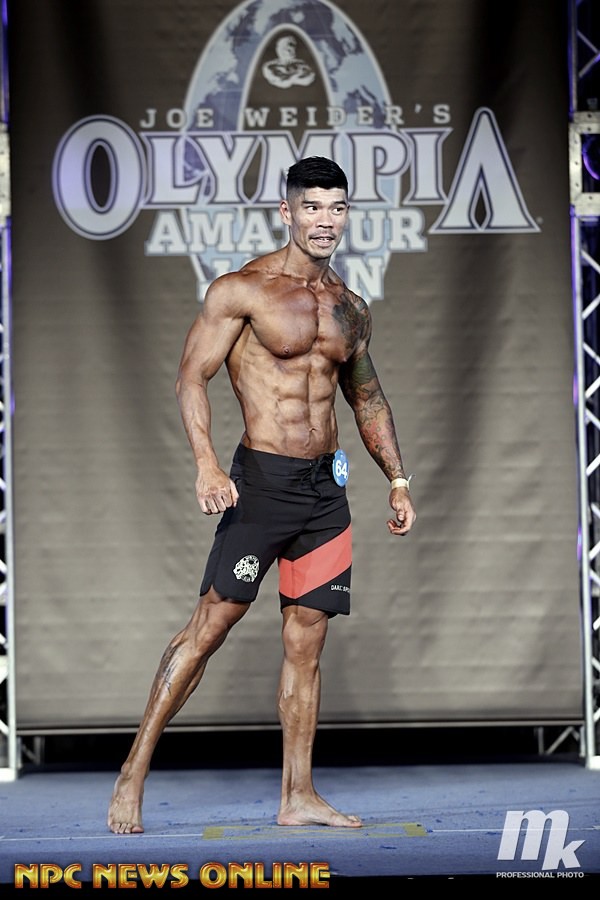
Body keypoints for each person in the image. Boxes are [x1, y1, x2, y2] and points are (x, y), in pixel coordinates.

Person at [107, 156, 416, 835]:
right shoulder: (242, 291)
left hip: (325, 494)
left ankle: (297, 795)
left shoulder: (350, 308)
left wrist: (396, 478)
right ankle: (133, 772)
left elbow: (367, 397)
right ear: (287, 211)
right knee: (208, 629)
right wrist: (207, 466)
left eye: (336, 207)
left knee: (308, 643)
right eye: (313, 207)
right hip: (262, 486)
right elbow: (191, 377)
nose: (325, 220)